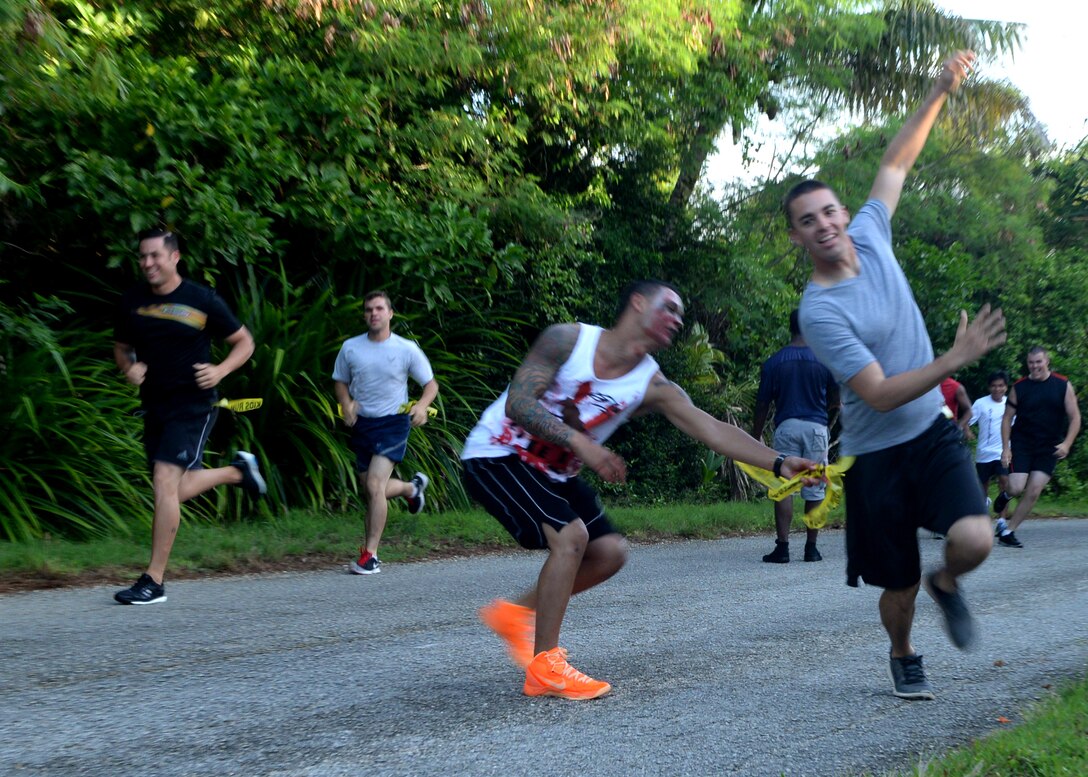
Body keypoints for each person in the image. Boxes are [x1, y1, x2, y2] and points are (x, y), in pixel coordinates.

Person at [461, 280, 821, 700]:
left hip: (553, 475)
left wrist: (779, 461)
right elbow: (518, 404)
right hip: (498, 455)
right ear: (636, 302)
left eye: (681, 316)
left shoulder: (653, 384)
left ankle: (516, 614)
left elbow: (713, 430)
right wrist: (582, 445)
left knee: (608, 552)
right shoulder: (567, 339)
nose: (676, 320)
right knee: (572, 536)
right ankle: (545, 667)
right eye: (668, 307)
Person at [790, 51, 1007, 701]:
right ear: (798, 237)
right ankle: (903, 649)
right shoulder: (820, 308)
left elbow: (895, 161)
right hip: (876, 451)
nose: (826, 225)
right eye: (808, 221)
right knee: (897, 583)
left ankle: (949, 583)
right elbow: (879, 392)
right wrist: (953, 359)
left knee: (974, 537)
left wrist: (939, 89)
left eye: (828, 211)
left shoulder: (872, 230)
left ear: (839, 211)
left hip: (931, 432)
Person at [113, 229, 267, 605]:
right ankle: (236, 473)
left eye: (154, 256)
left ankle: (154, 580)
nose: (147, 263)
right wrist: (128, 368)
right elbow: (122, 348)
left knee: (165, 481)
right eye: (142, 257)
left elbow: (244, 342)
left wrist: (220, 371)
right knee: (172, 489)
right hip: (155, 406)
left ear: (174, 257)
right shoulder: (133, 301)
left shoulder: (202, 299)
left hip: (194, 405)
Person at [333, 290, 438, 575]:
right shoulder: (351, 348)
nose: (373, 314)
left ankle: (371, 555)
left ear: (390, 314)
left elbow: (431, 385)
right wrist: (346, 404)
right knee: (372, 488)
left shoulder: (406, 349)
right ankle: (410, 488)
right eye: (368, 309)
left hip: (394, 423)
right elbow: (341, 381)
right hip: (362, 425)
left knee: (374, 487)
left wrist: (421, 406)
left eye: (379, 308)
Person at [752, 309, 839, 563]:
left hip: (787, 426)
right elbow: (836, 400)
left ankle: (783, 548)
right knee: (815, 488)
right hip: (816, 428)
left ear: (790, 328)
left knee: (784, 487)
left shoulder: (775, 361)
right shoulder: (824, 360)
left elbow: (762, 404)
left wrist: (755, 436)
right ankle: (811, 548)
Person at [993, 347, 1081, 548]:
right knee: (1016, 487)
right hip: (1023, 442)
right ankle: (1006, 495)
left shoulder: (1062, 385)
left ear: (1047, 361)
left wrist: (1067, 443)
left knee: (1033, 491)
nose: (1035, 366)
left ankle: (1009, 531)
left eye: (1038, 362)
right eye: (1031, 363)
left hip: (1049, 446)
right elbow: (1007, 418)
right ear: (1027, 364)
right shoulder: (1020, 387)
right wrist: (1006, 448)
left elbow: (1075, 417)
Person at [967, 371, 1011, 521]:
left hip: (1002, 452)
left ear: (1006, 387)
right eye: (993, 386)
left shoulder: (1010, 404)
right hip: (983, 453)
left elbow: (1016, 427)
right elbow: (968, 420)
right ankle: (983, 515)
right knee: (982, 487)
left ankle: (1002, 520)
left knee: (1004, 482)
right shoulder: (981, 403)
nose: (997, 389)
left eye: (1000, 386)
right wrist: (966, 431)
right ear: (989, 387)